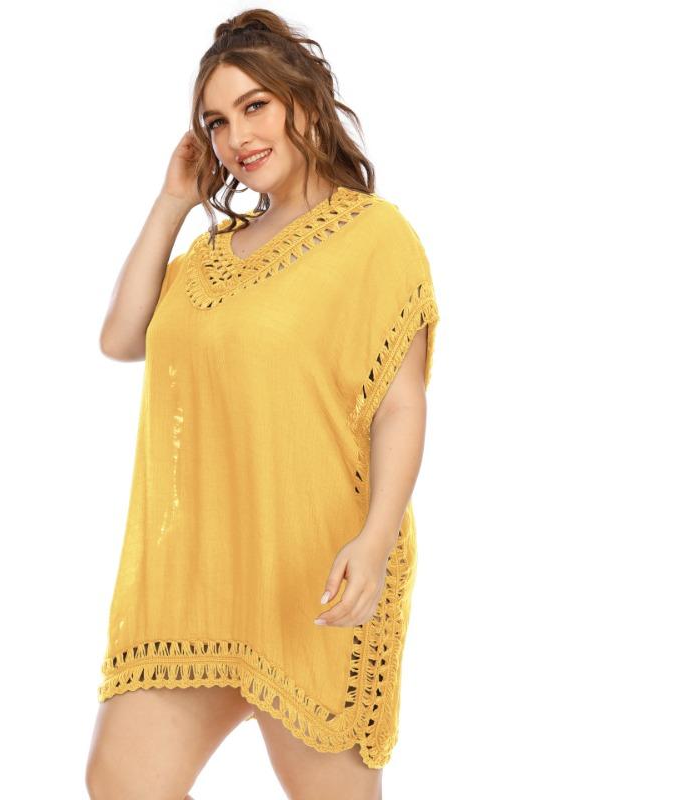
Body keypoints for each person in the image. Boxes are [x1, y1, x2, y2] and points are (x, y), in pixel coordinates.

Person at [86, 9, 440, 800]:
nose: (236, 136)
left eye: (255, 106)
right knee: (120, 781)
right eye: (217, 121)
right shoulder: (209, 256)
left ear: (304, 102)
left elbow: (401, 405)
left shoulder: (375, 237)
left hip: (312, 573)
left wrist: (376, 541)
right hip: (196, 578)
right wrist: (173, 201)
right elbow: (120, 338)